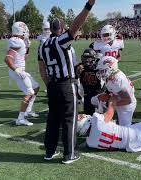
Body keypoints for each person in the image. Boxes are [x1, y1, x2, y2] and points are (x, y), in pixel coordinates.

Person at [38, 0, 96, 164]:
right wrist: (88, 6)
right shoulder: (60, 41)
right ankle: (69, 154)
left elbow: (42, 68)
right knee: (70, 118)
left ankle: (50, 151)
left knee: (53, 119)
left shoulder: (42, 45)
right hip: (66, 84)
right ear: (62, 30)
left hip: (53, 84)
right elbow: (76, 26)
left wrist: (49, 83)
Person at [5, 21, 40, 126]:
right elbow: (7, 59)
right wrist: (17, 70)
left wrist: (28, 47)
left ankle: (28, 110)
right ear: (21, 30)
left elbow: (23, 57)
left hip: (20, 70)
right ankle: (20, 119)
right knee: (29, 93)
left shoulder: (20, 42)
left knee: (36, 87)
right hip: (17, 71)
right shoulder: (16, 41)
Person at [94, 56, 136, 127]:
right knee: (95, 99)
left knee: (125, 129)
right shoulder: (112, 75)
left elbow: (127, 100)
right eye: (100, 71)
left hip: (126, 105)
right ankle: (107, 119)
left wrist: (109, 104)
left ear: (111, 68)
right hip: (116, 97)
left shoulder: (118, 81)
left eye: (103, 70)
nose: (100, 73)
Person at [75, 48, 102, 115]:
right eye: (85, 58)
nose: (87, 60)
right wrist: (77, 72)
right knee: (87, 114)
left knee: (100, 114)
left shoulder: (99, 67)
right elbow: (75, 80)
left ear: (94, 58)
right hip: (86, 94)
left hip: (98, 93)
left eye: (89, 58)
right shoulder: (80, 67)